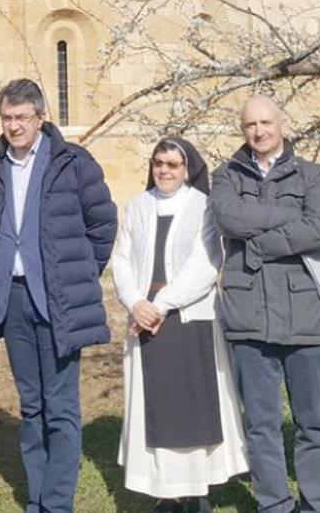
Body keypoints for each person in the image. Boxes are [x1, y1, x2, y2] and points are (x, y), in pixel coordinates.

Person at [0, 78, 118, 513]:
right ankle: (38, 497)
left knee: (60, 407)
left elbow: (103, 224)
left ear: (40, 118)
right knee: (31, 404)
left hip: (58, 301)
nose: (14, 126)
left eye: (21, 118)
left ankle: (57, 503)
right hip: (12, 300)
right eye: (6, 118)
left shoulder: (73, 162)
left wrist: (74, 276)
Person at [209, 95, 320, 513]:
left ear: (282, 124)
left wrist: (259, 244)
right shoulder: (225, 175)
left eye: (266, 123)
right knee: (261, 425)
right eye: (250, 125)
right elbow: (229, 219)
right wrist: (288, 216)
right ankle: (274, 504)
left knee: (313, 422)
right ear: (241, 129)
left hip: (306, 315)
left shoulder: (312, 174)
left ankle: (316, 502)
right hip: (249, 316)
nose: (259, 132)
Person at [111, 138, 247, 513]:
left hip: (189, 320)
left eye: (173, 164)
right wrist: (136, 303)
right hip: (144, 320)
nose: (165, 170)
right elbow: (121, 260)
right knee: (155, 411)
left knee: (193, 408)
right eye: (159, 163)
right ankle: (166, 492)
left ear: (187, 169)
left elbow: (206, 263)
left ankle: (198, 490)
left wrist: (160, 305)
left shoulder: (202, 206)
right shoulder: (138, 206)